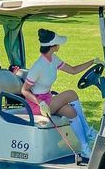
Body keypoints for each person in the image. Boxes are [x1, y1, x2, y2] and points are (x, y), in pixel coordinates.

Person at [21, 28, 99, 160]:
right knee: (71, 94)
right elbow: (24, 90)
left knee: (70, 111)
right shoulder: (38, 66)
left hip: (48, 99)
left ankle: (85, 148)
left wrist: (92, 62)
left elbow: (73, 70)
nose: (59, 45)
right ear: (53, 46)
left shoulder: (53, 59)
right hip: (39, 104)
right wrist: (40, 103)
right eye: (57, 43)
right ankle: (88, 131)